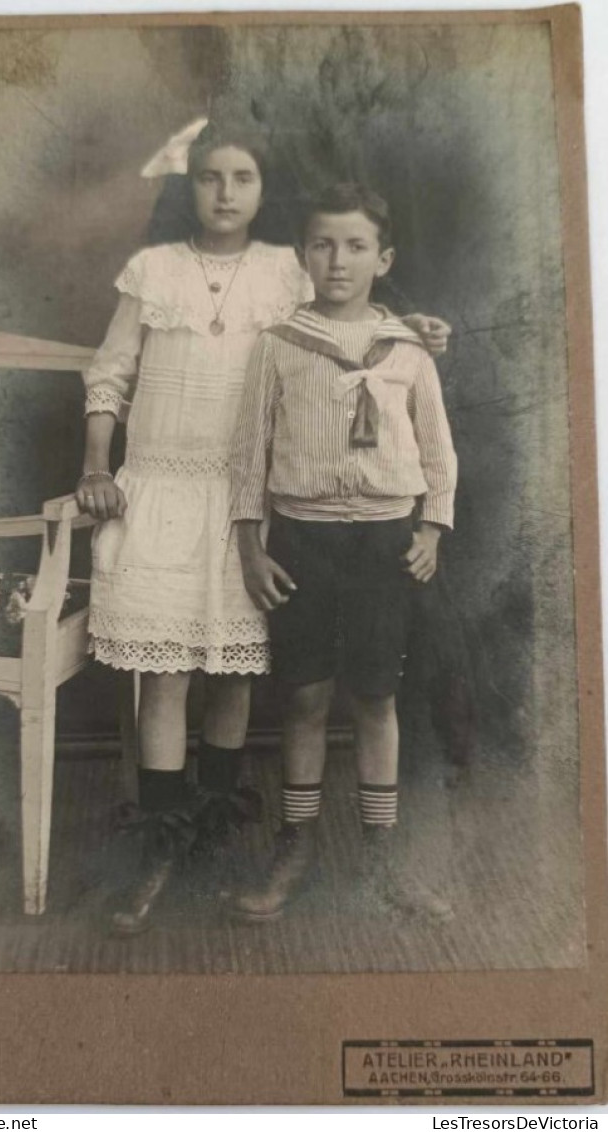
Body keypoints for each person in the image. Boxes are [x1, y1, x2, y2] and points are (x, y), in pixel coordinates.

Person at [77, 124, 451, 936]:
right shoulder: (153, 270)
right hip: (170, 490)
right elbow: (110, 370)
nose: (224, 192)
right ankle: (164, 847)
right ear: (190, 187)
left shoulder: (291, 266)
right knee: (169, 676)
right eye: (210, 177)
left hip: (261, 503)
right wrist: (96, 465)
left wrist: (415, 331)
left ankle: (218, 835)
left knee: (239, 677)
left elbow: (352, 318)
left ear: (260, 188)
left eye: (241, 177)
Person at [228, 182, 458, 923]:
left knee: (375, 695)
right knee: (303, 696)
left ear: (382, 258)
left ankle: (381, 850)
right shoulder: (279, 346)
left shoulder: (408, 351)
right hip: (303, 541)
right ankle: (295, 843)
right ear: (303, 256)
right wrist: (250, 548)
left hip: (384, 543)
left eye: (356, 246)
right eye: (323, 244)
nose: (338, 260)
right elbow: (248, 454)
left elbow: (439, 450)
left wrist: (430, 529)